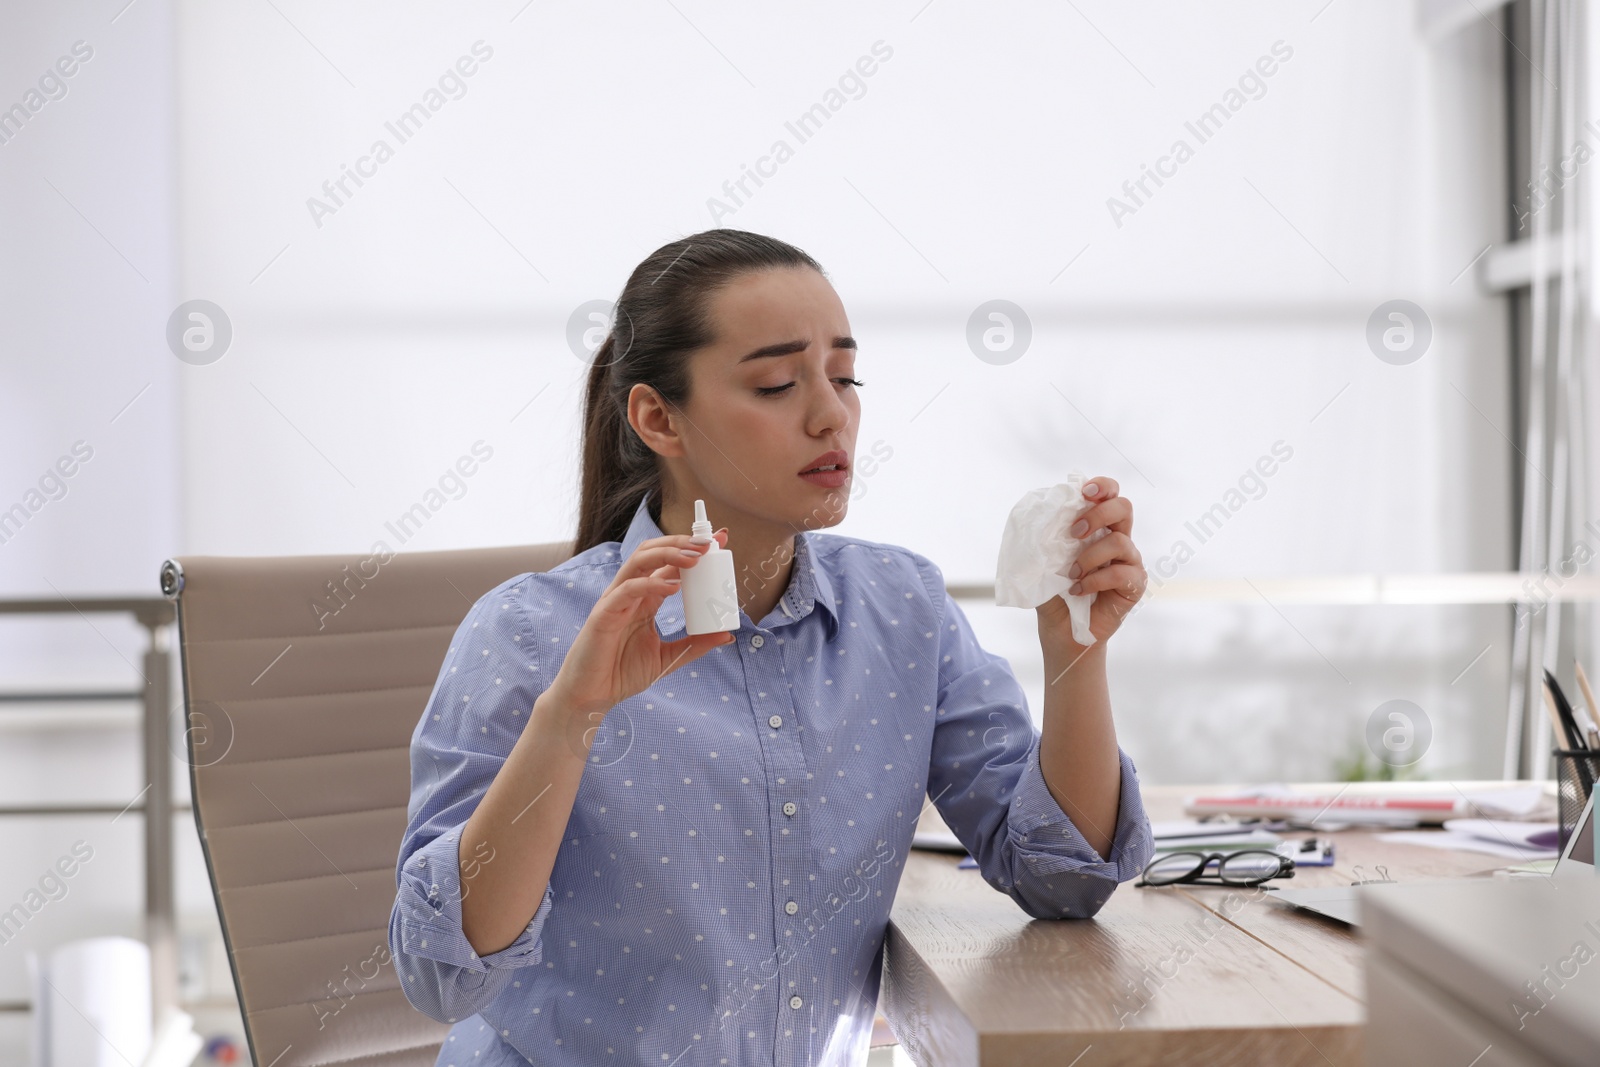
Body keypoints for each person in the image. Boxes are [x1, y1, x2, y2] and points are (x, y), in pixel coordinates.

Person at [388, 228, 1154, 1066]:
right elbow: (443, 975)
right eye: (778, 383)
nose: (831, 413)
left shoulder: (903, 611)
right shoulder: (529, 633)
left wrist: (1075, 647)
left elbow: (1065, 880)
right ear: (657, 418)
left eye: (845, 375)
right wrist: (570, 719)